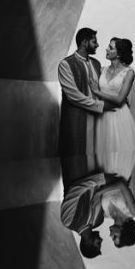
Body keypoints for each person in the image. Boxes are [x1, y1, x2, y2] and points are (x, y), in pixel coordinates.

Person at [91, 38, 135, 178]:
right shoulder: (102, 70)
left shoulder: (129, 73)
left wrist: (98, 92)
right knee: (103, 160)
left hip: (120, 119)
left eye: (110, 48)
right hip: (102, 118)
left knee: (121, 164)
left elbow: (119, 100)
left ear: (118, 54)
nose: (106, 49)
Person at [57, 28, 110, 185]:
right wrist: (100, 105)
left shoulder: (96, 63)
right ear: (84, 42)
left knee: (98, 162)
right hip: (76, 122)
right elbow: (73, 96)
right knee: (75, 167)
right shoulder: (65, 64)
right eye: (94, 41)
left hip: (97, 123)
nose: (98, 45)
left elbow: (100, 89)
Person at [60, 171, 132, 258]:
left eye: (98, 243)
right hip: (100, 169)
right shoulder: (99, 221)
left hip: (77, 168)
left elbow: (75, 189)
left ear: (88, 243)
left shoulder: (68, 221)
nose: (101, 239)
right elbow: (107, 194)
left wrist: (101, 179)